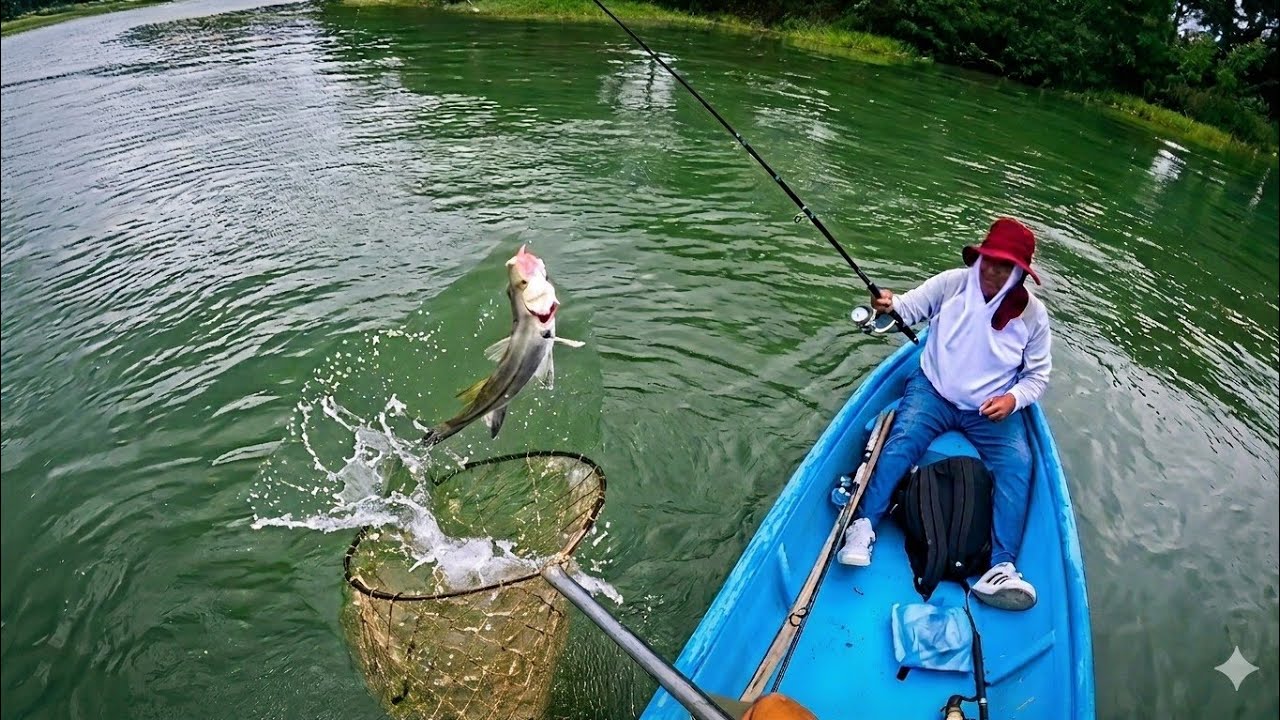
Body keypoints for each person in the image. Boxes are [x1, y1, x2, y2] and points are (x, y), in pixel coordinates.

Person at [836, 217, 1052, 612]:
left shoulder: (1033, 316)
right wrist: (888, 303)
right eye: (988, 260)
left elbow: (1037, 376)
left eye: (1004, 266)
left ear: (1019, 273)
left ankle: (1001, 566)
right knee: (900, 443)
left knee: (1019, 465)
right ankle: (864, 525)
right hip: (933, 390)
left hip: (990, 411)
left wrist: (1013, 400)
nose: (991, 270)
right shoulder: (953, 282)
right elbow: (908, 306)